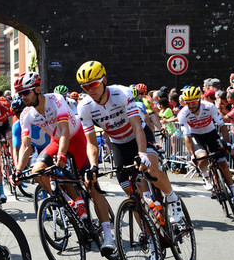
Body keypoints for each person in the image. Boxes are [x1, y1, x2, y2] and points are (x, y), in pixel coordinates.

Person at [14, 72, 116, 255]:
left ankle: (108, 236)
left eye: (25, 92)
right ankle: (72, 202)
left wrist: (61, 155)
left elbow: (64, 129)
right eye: (19, 94)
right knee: (38, 171)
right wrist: (18, 170)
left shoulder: (56, 99)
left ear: (37, 89)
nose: (22, 97)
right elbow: (25, 145)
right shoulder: (26, 114)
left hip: (76, 139)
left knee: (92, 185)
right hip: (56, 141)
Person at [75, 61, 184, 228]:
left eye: (93, 84)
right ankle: (149, 239)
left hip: (138, 136)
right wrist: (94, 166)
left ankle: (172, 197)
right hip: (118, 143)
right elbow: (91, 143)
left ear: (104, 80)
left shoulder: (121, 93)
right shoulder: (85, 106)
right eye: (85, 87)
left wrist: (142, 154)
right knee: (132, 196)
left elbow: (137, 127)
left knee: (151, 169)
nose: (90, 90)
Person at [177, 86, 234, 211]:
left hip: (211, 134)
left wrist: (227, 144)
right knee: (202, 158)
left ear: (199, 100)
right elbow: (187, 137)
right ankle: (206, 176)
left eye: (193, 102)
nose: (190, 106)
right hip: (196, 136)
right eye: (188, 103)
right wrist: (192, 156)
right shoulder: (183, 114)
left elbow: (222, 126)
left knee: (223, 163)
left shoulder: (209, 107)